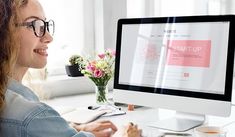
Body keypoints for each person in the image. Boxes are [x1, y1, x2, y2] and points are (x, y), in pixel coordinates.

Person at [0, 0, 142, 137]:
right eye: (35, 25)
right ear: (4, 33)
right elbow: (31, 123)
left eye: (45, 26)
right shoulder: (32, 116)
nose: (49, 37)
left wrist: (75, 128)